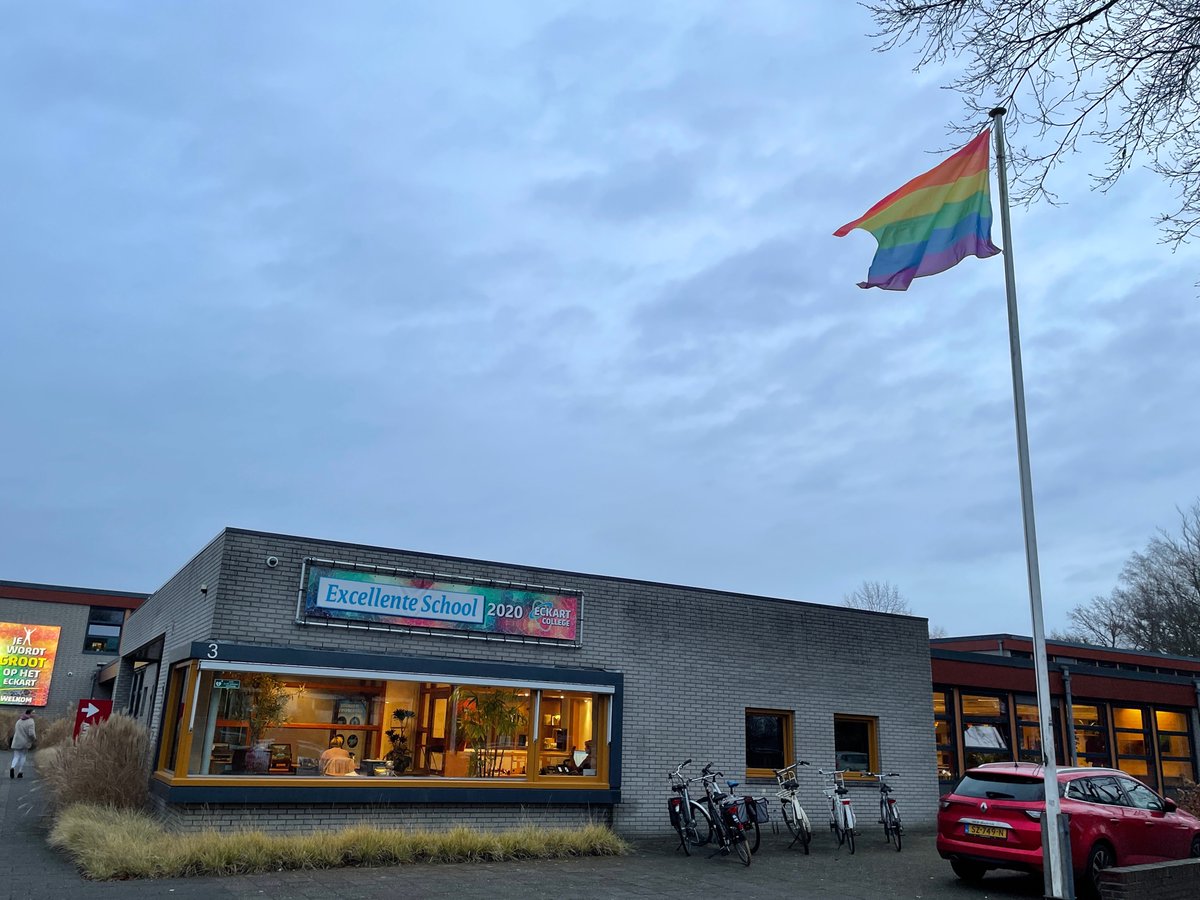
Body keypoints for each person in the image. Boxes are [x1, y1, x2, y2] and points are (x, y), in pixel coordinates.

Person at [10, 708, 35, 779]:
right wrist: (34, 739)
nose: (34, 714)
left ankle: (12, 767)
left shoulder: (19, 721)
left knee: (16, 756)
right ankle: (20, 772)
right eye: (33, 713)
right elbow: (31, 733)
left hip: (16, 741)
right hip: (25, 742)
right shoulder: (31, 721)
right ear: (29, 713)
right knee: (23, 756)